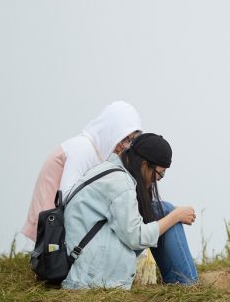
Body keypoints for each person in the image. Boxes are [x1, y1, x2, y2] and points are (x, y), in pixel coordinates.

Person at [61, 133, 198, 289]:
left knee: (160, 209)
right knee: (167, 212)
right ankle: (187, 286)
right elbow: (135, 237)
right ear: (144, 164)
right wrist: (176, 215)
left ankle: (185, 283)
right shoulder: (121, 184)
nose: (156, 181)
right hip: (88, 278)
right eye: (159, 174)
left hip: (83, 260)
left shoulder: (110, 170)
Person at [21, 101, 142, 241]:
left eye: (130, 141)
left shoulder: (93, 150)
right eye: (125, 138)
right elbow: (69, 196)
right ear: (112, 129)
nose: (125, 146)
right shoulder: (83, 149)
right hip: (51, 227)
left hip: (55, 225)